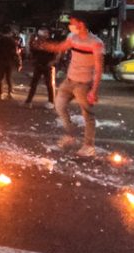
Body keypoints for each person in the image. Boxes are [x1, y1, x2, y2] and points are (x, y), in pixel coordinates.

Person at [40, 13, 104, 158]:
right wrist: (45, 46)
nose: (70, 25)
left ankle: (89, 146)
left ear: (81, 24)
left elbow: (99, 68)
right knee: (59, 106)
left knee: (88, 115)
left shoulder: (95, 43)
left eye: (72, 22)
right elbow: (61, 47)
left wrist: (94, 90)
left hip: (84, 84)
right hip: (69, 81)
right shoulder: (72, 37)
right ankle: (71, 135)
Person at [24, 27, 57, 109]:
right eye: (41, 35)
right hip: (39, 65)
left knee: (49, 84)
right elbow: (33, 51)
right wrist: (31, 42)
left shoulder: (52, 42)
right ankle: (28, 101)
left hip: (48, 66)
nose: (42, 36)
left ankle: (51, 101)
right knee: (34, 84)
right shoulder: (37, 43)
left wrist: (53, 62)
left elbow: (57, 54)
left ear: (48, 34)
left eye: (44, 34)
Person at [0, 26, 20, 100]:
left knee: (0, 78)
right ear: (10, 33)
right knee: (9, 78)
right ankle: (10, 93)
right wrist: (18, 63)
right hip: (9, 62)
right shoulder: (13, 41)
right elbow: (16, 53)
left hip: (1, 62)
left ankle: (1, 94)